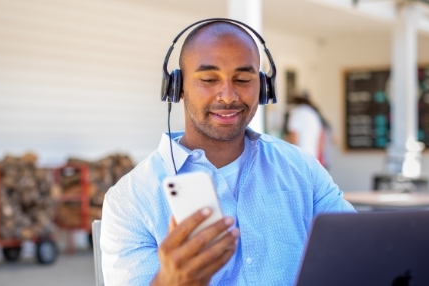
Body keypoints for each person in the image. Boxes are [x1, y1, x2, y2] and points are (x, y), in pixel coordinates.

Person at [100, 19, 355, 285]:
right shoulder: (129, 200)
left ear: (264, 88)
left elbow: (356, 252)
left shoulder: (302, 169)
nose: (227, 95)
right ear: (178, 88)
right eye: (209, 79)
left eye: (243, 79)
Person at [286, 91, 332, 168]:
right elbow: (320, 143)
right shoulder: (314, 114)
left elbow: (293, 138)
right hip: (313, 160)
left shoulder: (296, 112)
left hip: (299, 160)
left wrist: (283, 141)